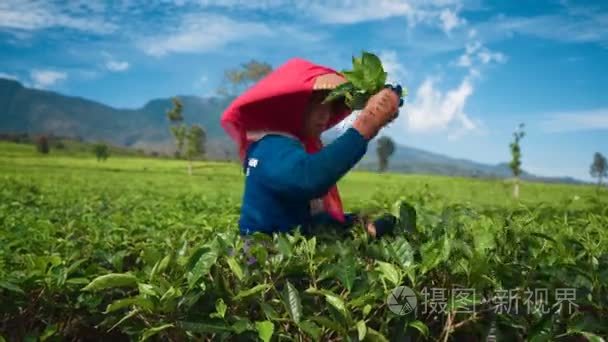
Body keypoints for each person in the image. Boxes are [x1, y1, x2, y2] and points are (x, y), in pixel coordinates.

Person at [221, 58, 404, 238]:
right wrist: (368, 123)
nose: (325, 114)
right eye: (316, 104)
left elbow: (304, 217)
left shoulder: (285, 146)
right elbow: (310, 178)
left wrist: (355, 223)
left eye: (329, 106)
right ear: (291, 105)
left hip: (285, 246)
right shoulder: (269, 148)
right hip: (262, 255)